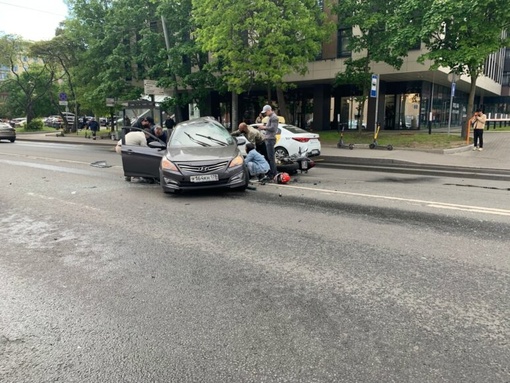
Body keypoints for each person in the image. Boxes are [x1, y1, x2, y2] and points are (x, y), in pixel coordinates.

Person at [258, 104, 278, 178]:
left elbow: (273, 128)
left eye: (266, 112)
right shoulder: (270, 117)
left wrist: (263, 127)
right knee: (269, 157)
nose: (265, 114)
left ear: (269, 110)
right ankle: (272, 172)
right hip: (268, 138)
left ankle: (274, 173)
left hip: (270, 139)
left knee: (271, 157)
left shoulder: (274, 117)